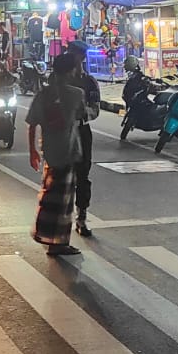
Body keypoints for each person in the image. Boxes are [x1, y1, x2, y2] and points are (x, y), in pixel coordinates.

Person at [25, 54, 86, 257]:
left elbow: (32, 124)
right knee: (64, 202)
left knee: (50, 197)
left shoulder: (43, 94)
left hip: (50, 151)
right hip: (68, 152)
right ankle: (59, 242)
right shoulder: (77, 94)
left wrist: (33, 150)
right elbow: (83, 115)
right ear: (71, 70)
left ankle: (50, 239)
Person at [66, 39, 100, 237]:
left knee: (82, 176)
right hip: (62, 133)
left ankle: (81, 216)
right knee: (61, 177)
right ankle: (61, 216)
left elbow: (96, 108)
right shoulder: (58, 78)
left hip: (81, 131)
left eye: (77, 55)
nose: (75, 58)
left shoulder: (89, 81)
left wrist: (81, 113)